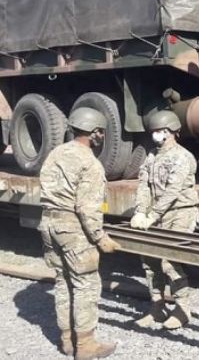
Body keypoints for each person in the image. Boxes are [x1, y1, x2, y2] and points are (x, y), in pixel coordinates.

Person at [38, 107, 120, 359]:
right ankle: (85, 346)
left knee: (63, 282)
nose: (101, 137)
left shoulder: (56, 153)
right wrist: (100, 238)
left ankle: (67, 341)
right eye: (101, 132)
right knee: (86, 284)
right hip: (73, 228)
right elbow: (86, 208)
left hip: (48, 224)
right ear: (94, 132)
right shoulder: (90, 163)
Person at [130, 110, 199, 330]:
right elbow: (144, 185)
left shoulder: (182, 156)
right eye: (154, 132)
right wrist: (141, 211)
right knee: (149, 261)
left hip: (180, 211)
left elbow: (172, 191)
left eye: (160, 131)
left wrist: (152, 215)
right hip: (156, 214)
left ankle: (182, 309)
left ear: (171, 132)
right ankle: (157, 307)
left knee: (171, 261)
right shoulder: (152, 156)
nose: (156, 135)